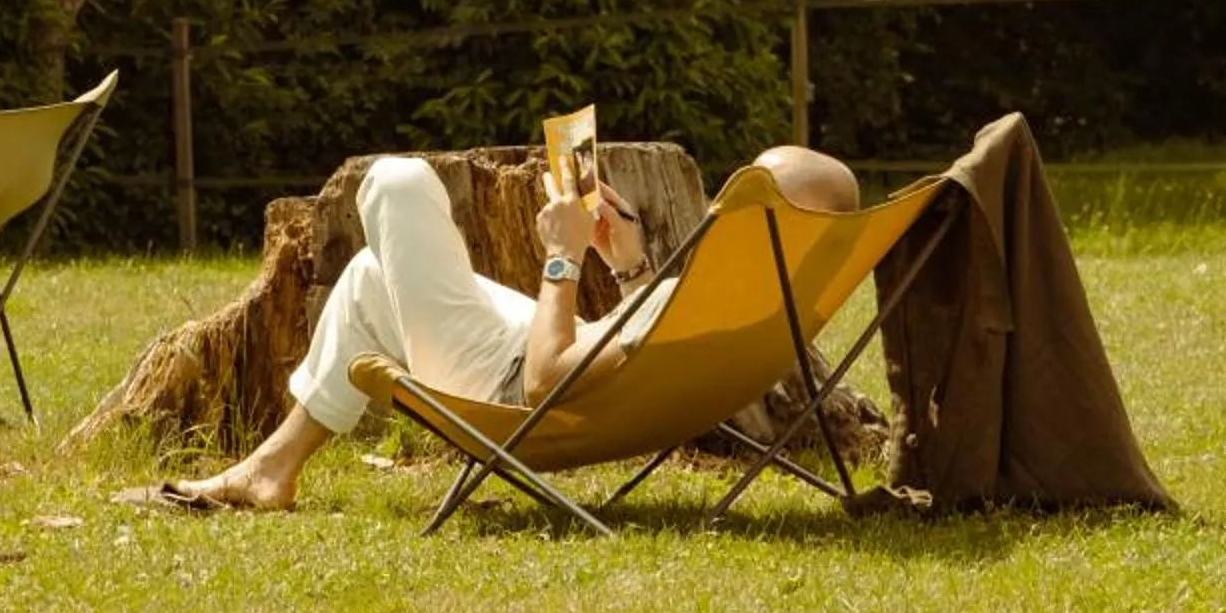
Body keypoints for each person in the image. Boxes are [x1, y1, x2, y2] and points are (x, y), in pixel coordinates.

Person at [125, 142, 861, 513]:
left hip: (512, 389)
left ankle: (267, 470)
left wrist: (564, 256)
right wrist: (631, 264)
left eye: (749, 195)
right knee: (373, 278)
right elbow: (645, 354)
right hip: (565, 365)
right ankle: (271, 469)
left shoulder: (733, 290)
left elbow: (546, 380)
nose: (724, 208)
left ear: (772, 218)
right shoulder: (767, 298)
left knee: (399, 183)